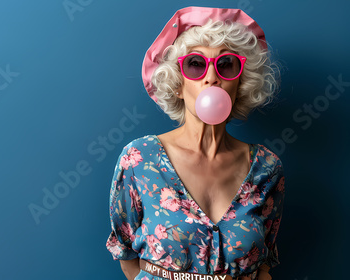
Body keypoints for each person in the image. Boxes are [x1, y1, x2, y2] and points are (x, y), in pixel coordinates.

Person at [106, 6, 285, 280]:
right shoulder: (139, 159)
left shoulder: (266, 168)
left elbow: (263, 266)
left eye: (226, 65)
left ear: (241, 82)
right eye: (196, 64)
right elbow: (126, 257)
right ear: (178, 84)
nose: (211, 77)